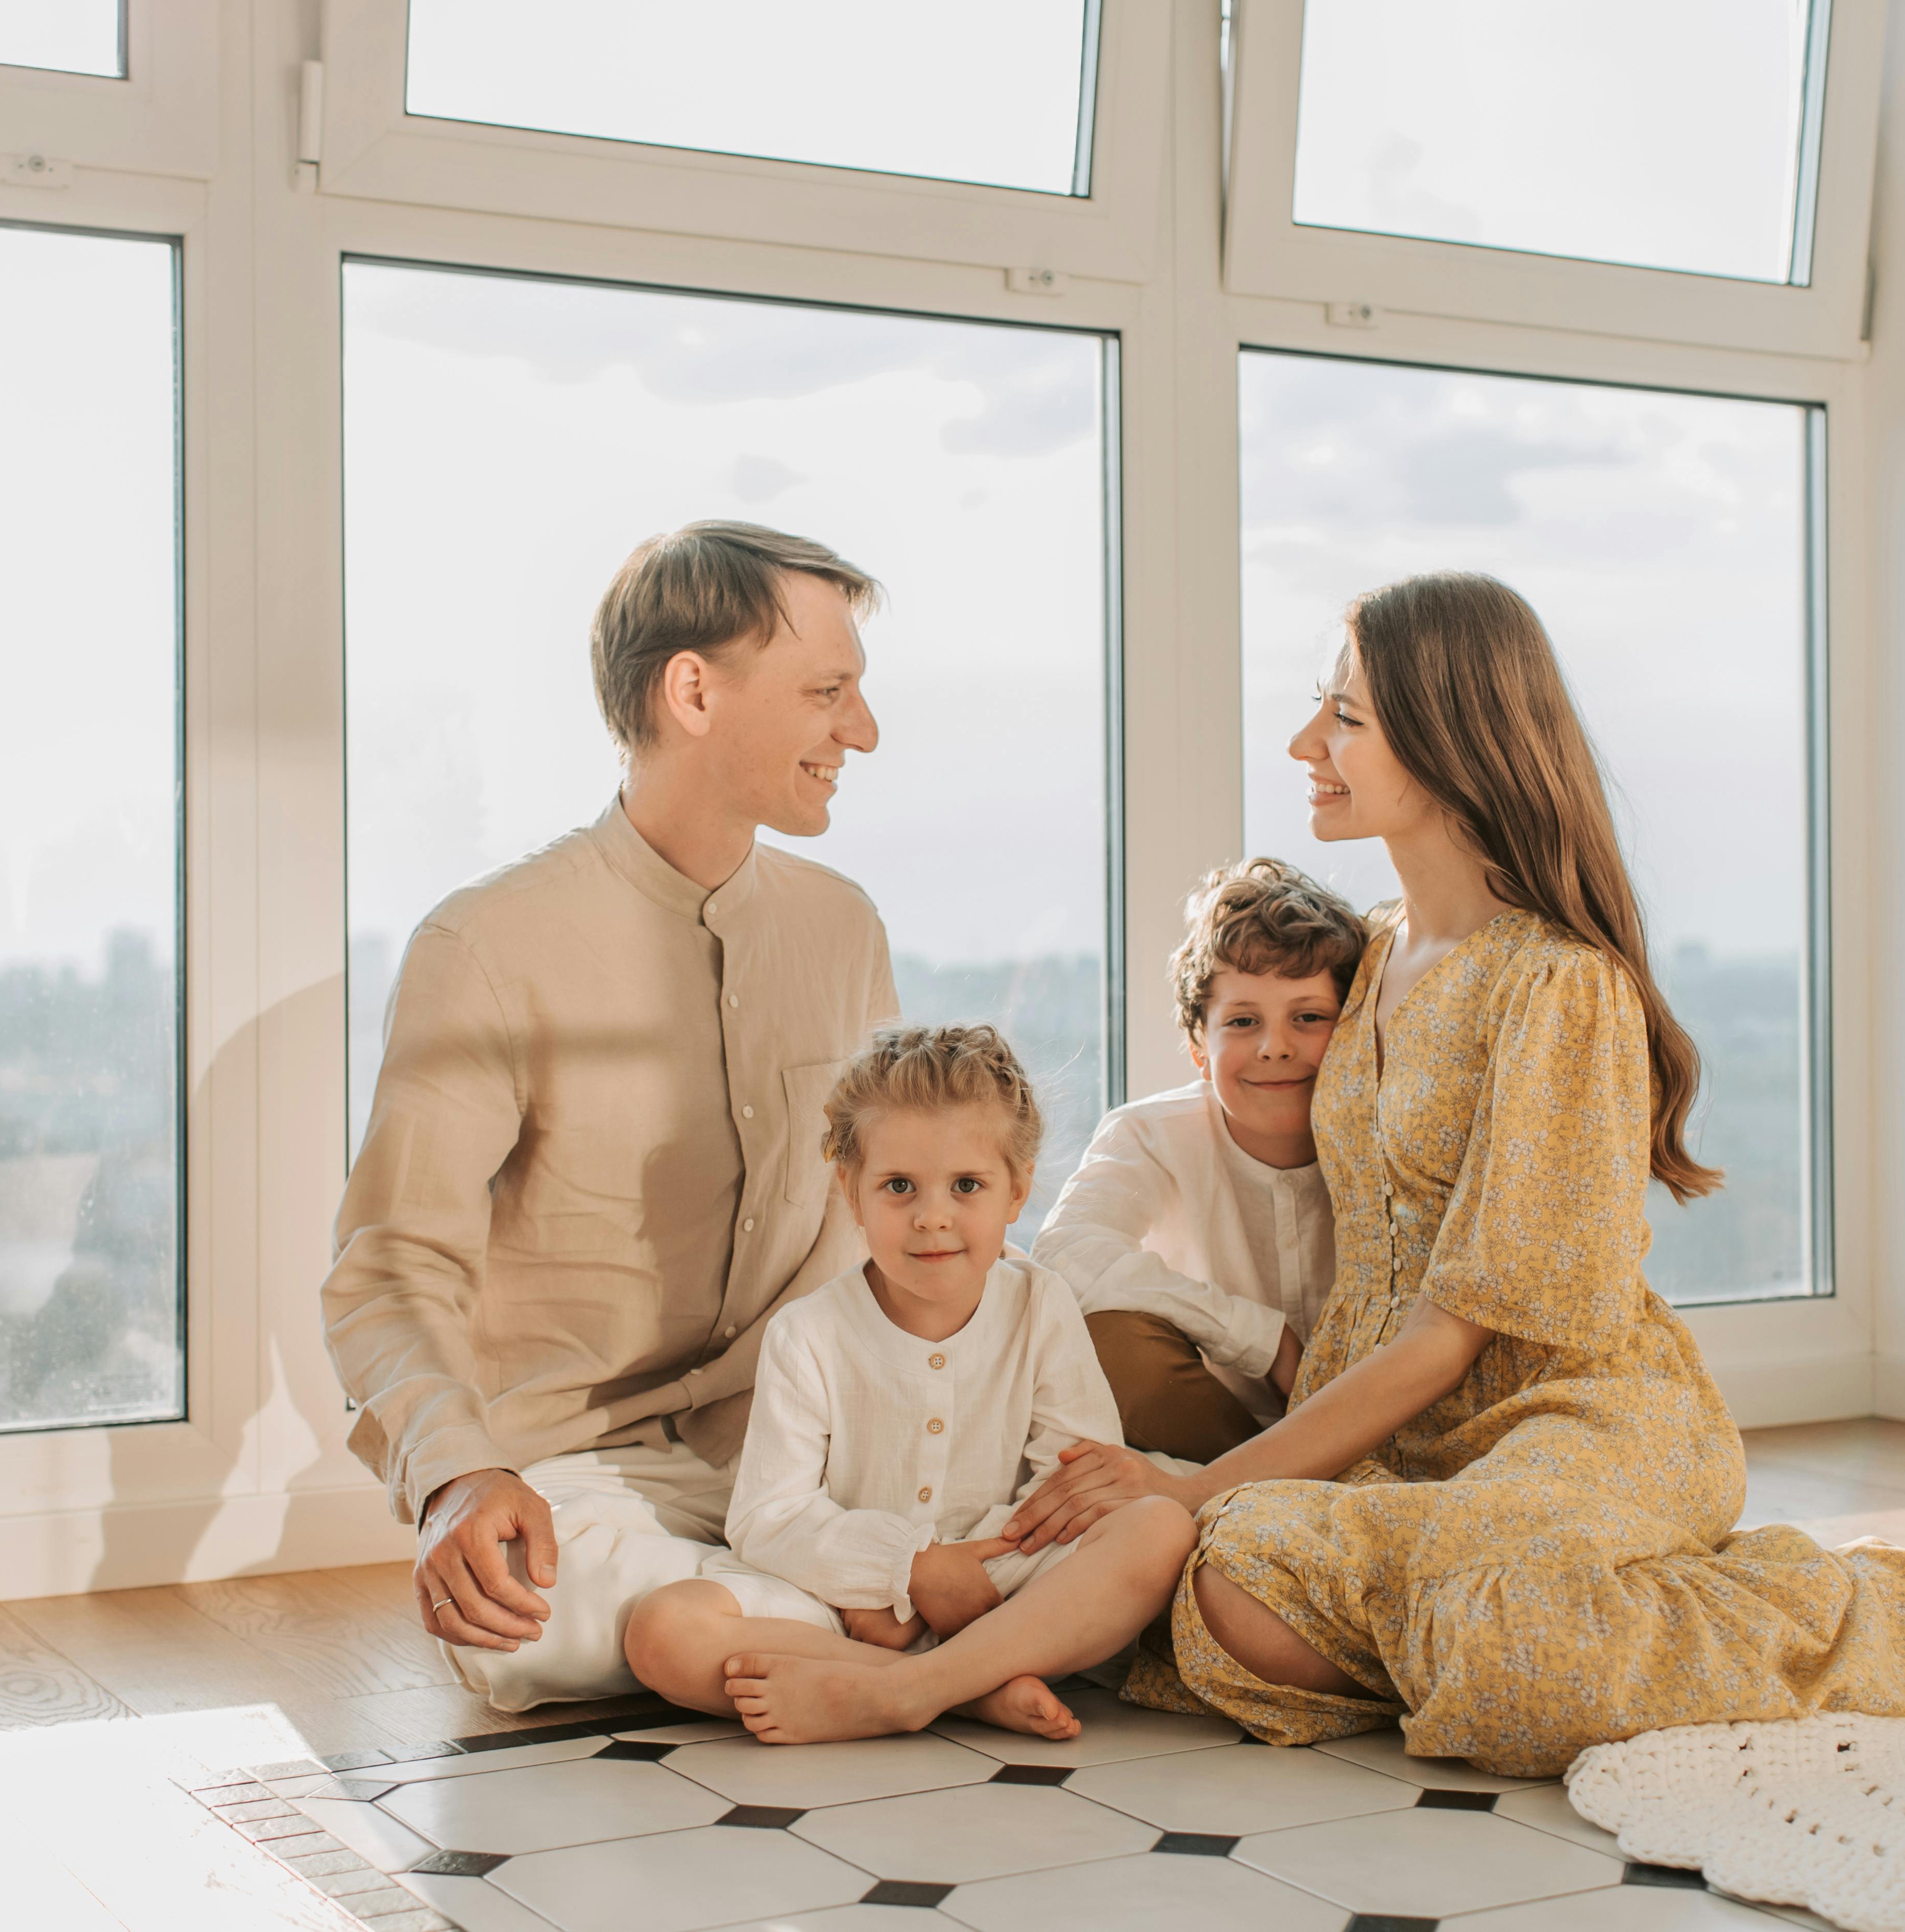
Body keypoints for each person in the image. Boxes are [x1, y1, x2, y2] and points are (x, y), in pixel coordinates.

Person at [1002, 572, 1905, 1778]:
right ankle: (1553, 1613)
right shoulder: (1371, 952)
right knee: (1237, 1586)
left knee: (1487, 1640)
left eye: (1344, 718)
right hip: (1408, 1448)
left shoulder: (1559, 984)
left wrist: (1189, 1488)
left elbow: (1450, 1338)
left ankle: (1898, 1612)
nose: (1304, 745)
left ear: (1447, 740)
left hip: (1581, 1417)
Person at [321, 520, 896, 1710]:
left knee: (1094, 1519)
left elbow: (891, 1215)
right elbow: (390, 1266)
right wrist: (458, 1477)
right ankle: (907, 1631)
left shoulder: (843, 928)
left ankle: (806, 1632)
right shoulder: (484, 946)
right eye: (828, 692)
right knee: (526, 1615)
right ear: (693, 690)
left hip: (801, 1449)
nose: (862, 731)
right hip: (567, 1472)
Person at [622, 1023, 1196, 1744]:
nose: (932, 1216)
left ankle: (908, 1689)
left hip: (1006, 1586)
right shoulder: (807, 1333)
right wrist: (903, 1569)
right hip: (845, 1609)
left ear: (1016, 1192)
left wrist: (958, 1576)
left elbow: (1071, 1483)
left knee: (1156, 1526)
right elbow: (769, 1518)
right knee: (665, 1629)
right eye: (899, 1186)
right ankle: (967, 1692)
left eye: (966, 1186)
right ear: (851, 1193)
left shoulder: (1040, 1303)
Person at [1030, 856, 1369, 1461]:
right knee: (1105, 1334)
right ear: (1197, 1047)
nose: (1275, 1047)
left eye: (1309, 1017)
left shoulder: (1394, 1142)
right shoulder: (1152, 1135)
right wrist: (1262, 1340)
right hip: (1214, 1435)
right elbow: (1065, 1256)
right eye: (1242, 1021)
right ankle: (1261, 1496)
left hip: (1370, 1421)